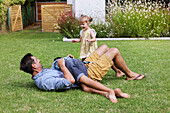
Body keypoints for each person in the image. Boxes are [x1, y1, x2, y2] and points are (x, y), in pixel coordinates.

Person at [20, 53, 130, 103]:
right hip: (82, 73)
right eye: (36, 60)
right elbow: (70, 81)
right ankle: (111, 90)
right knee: (114, 50)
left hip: (77, 67)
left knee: (104, 47)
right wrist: (63, 65)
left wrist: (66, 60)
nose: (39, 60)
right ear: (34, 66)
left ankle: (110, 91)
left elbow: (57, 72)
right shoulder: (44, 81)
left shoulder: (42, 72)